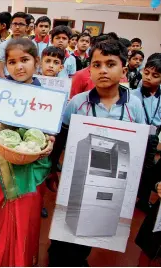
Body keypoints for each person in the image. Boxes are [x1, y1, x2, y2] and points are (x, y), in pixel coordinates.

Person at [47, 39, 146, 267]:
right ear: (89, 69)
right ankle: (57, 257)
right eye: (96, 64)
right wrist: (53, 168)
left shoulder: (135, 106)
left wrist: (137, 184)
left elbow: (142, 145)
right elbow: (61, 136)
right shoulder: (78, 103)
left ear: (124, 69)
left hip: (110, 182)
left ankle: (79, 259)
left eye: (110, 64)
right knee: (65, 225)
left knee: (92, 225)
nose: (103, 70)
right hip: (77, 179)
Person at [0, 38, 54, 266]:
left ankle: (19, 259)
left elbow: (50, 134)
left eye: (25, 60)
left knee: (26, 213)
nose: (19, 67)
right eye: (12, 62)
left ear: (36, 62)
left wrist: (49, 144)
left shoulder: (47, 96)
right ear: (5, 65)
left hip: (31, 164)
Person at [132, 57, 161, 216]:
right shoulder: (133, 95)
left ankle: (142, 199)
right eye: (146, 72)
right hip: (136, 135)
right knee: (132, 167)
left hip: (152, 137)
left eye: (155, 75)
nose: (148, 77)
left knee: (148, 170)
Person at [0, 12, 32, 78]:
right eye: (15, 24)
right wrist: (5, 81)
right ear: (10, 26)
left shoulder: (31, 45)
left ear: (27, 27)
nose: (17, 27)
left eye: (21, 24)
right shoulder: (4, 45)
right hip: (8, 79)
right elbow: (0, 69)